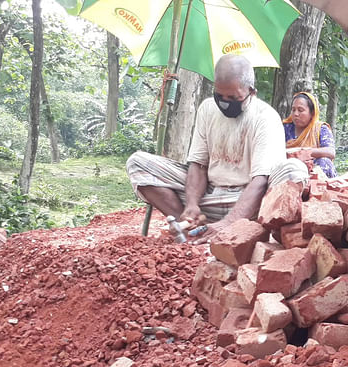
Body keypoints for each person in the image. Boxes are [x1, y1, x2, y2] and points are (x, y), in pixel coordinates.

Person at [126, 55, 308, 243]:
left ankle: (240, 228)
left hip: (251, 202)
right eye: (220, 96)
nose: (225, 102)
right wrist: (191, 204)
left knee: (294, 170)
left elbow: (261, 181)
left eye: (234, 97)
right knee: (138, 163)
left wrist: (229, 222)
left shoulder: (265, 117)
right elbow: (198, 164)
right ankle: (191, 228)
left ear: (252, 92)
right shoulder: (207, 109)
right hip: (210, 196)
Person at [282, 91, 337, 177]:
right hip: (288, 169)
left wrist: (305, 152)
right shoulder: (284, 128)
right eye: (293, 110)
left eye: (300, 110)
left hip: (313, 170)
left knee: (325, 161)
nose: (296, 114)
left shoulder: (320, 129)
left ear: (312, 113)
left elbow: (330, 152)